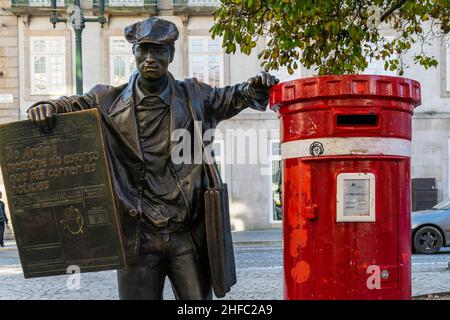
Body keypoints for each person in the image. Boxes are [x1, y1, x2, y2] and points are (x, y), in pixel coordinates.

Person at [27, 17, 278, 300]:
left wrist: (255, 87)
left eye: (158, 51)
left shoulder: (194, 97)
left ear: (170, 55)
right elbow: (70, 106)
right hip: (138, 238)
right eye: (143, 50)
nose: (150, 58)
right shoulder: (107, 100)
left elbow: (234, 96)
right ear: (133, 53)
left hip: (187, 235)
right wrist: (44, 106)